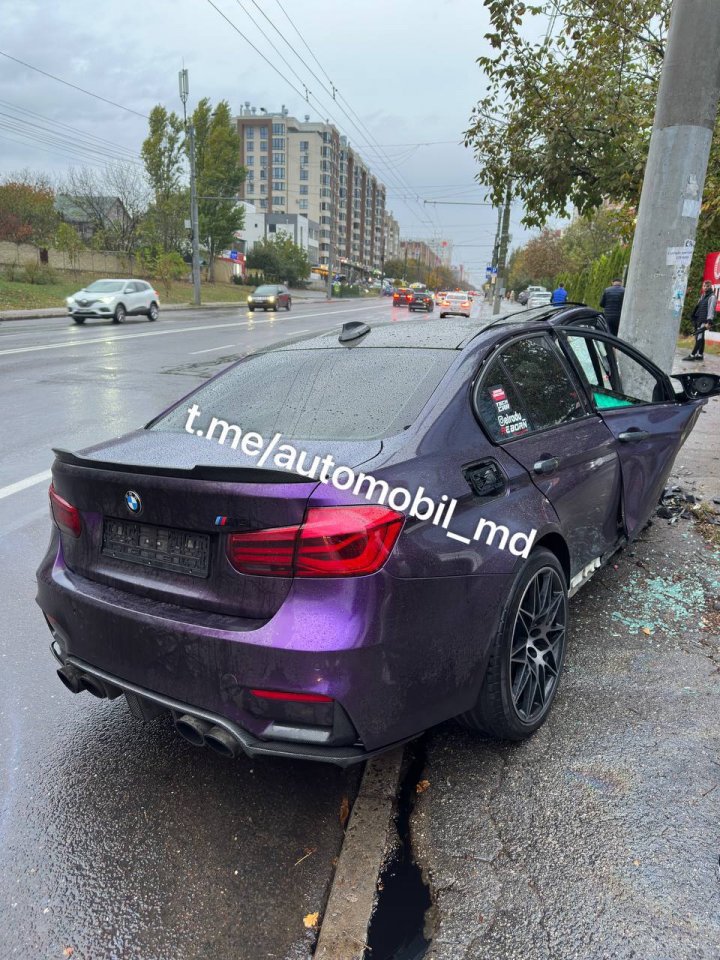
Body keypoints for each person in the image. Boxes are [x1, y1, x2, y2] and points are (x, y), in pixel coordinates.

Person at [683, 280, 716, 361]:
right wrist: (694, 316)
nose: (705, 287)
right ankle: (700, 354)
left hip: (704, 320)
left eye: (707, 286)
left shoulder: (712, 297)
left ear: (710, 286)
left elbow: (711, 310)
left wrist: (709, 322)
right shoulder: (703, 295)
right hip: (698, 319)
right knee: (700, 337)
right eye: (704, 286)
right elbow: (698, 307)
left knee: (699, 337)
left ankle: (692, 355)